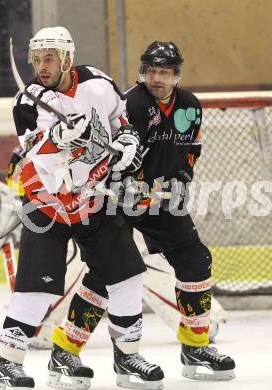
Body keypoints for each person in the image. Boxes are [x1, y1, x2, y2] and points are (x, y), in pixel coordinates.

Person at [50, 41, 236, 383]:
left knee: (195, 260)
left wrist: (179, 179)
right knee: (109, 275)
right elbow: (103, 155)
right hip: (114, 200)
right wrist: (124, 175)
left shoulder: (191, 107)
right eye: (151, 71)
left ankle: (195, 345)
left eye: (164, 72)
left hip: (161, 201)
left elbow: (191, 151)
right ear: (143, 73)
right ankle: (65, 352)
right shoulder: (130, 104)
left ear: (176, 76)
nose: (157, 78)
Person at [0, 27, 164, 390]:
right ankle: (7, 363)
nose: (41, 65)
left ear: (67, 57)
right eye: (36, 59)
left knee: (127, 275)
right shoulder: (27, 100)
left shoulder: (99, 82)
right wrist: (56, 138)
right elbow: (35, 149)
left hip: (93, 198)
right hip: (48, 201)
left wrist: (128, 140)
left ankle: (127, 357)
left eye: (49, 58)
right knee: (37, 290)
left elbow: (121, 121)